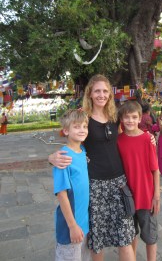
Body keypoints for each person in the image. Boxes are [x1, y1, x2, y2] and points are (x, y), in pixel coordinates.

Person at [49, 74, 136, 261]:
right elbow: (69, 140)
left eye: (105, 91)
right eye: (97, 91)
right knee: (98, 239)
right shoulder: (84, 119)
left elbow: (128, 136)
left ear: (110, 94)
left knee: (125, 236)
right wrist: (51, 157)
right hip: (95, 185)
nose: (101, 95)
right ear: (90, 93)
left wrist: (149, 137)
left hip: (119, 184)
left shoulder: (115, 116)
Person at [117, 101, 160, 261]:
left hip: (146, 195)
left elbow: (155, 170)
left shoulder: (147, 139)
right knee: (131, 234)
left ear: (140, 117)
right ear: (121, 118)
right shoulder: (118, 140)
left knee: (150, 236)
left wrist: (156, 195)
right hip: (126, 196)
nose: (130, 120)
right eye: (126, 117)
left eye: (134, 117)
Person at [53, 109, 91, 261]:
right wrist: (72, 226)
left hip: (84, 223)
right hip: (70, 225)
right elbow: (62, 194)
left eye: (84, 126)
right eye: (76, 126)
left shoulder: (82, 150)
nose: (82, 130)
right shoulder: (63, 157)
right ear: (66, 130)